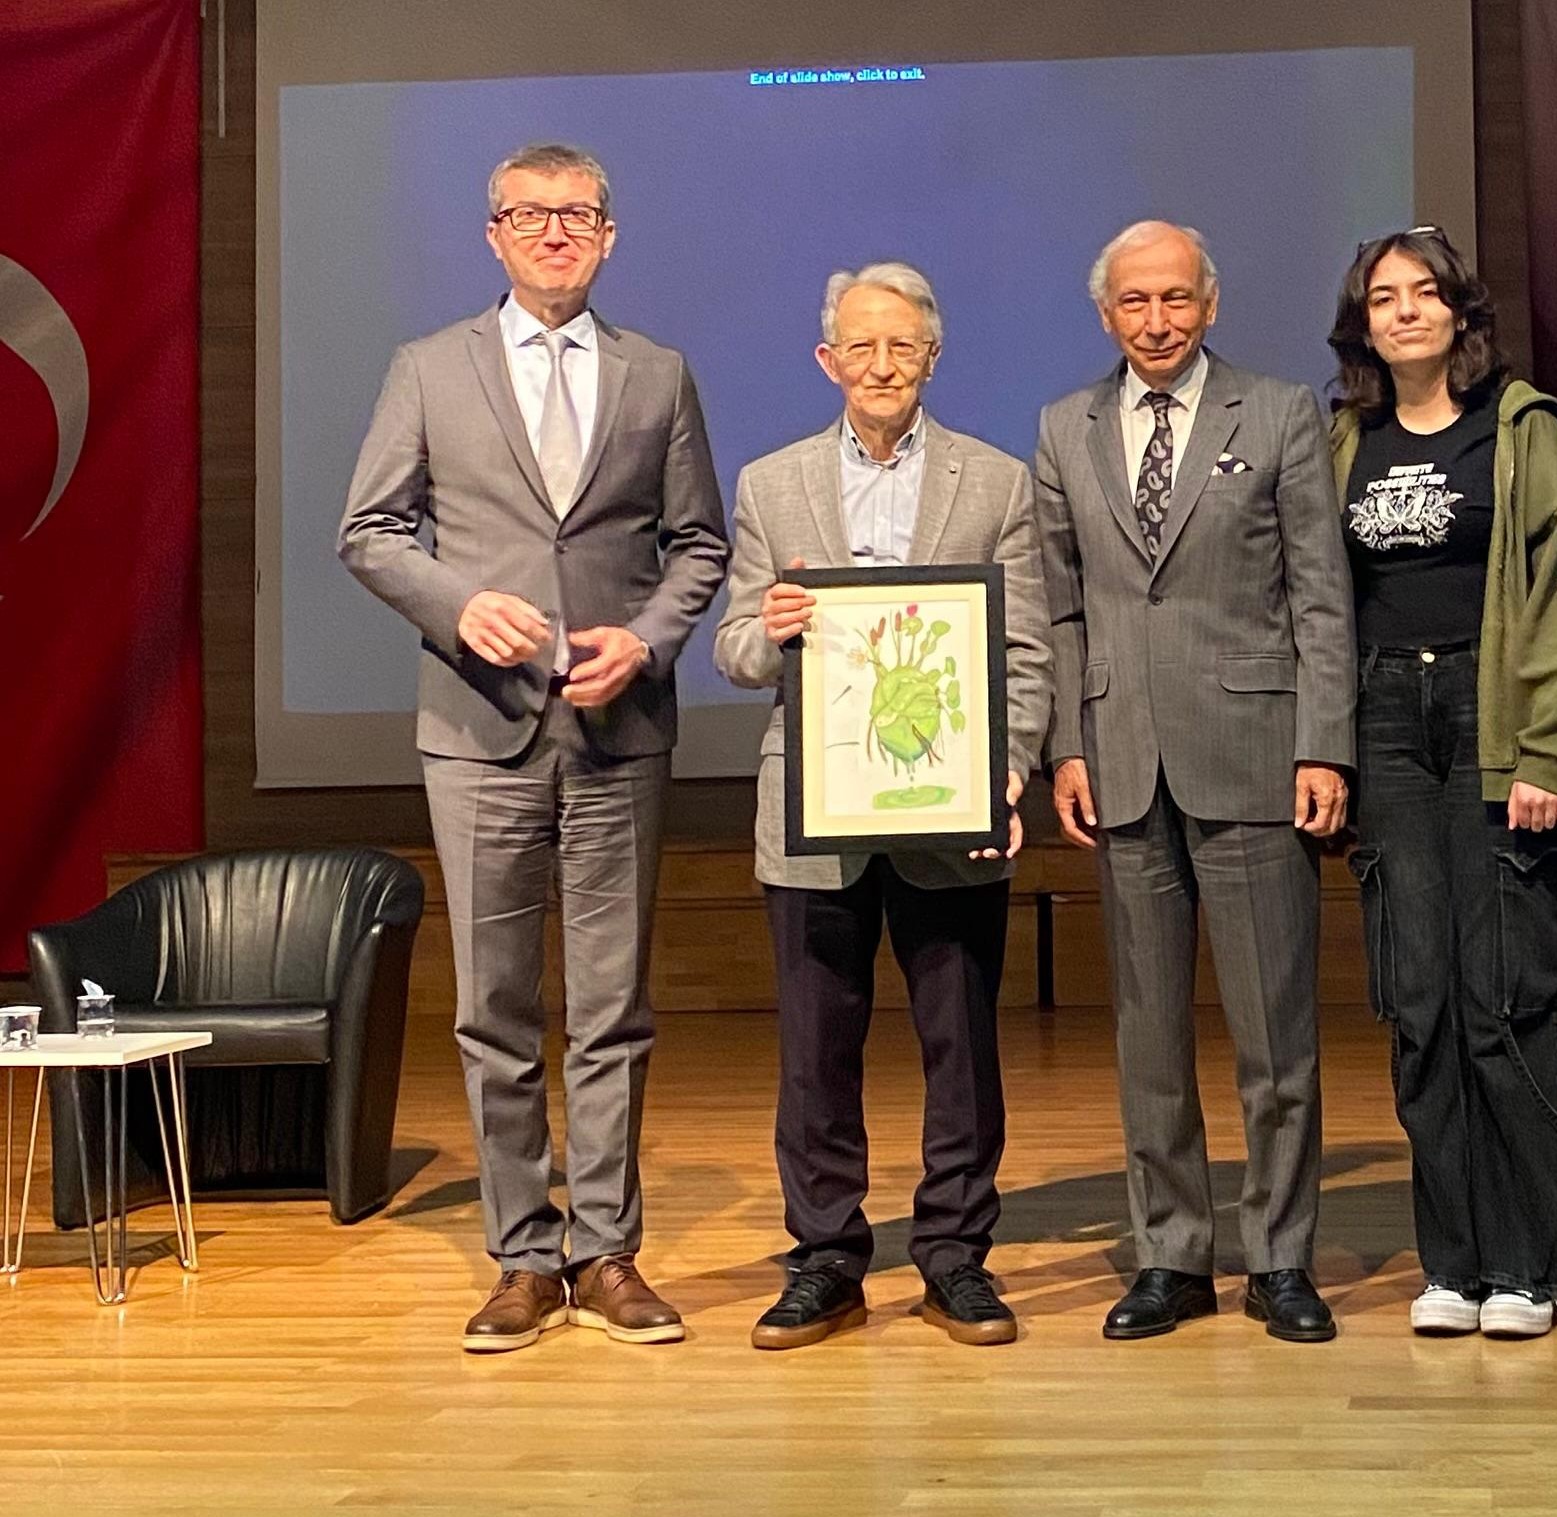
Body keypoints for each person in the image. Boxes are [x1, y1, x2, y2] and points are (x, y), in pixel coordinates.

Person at [339, 143, 728, 1353]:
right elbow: (369, 528)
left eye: (578, 216)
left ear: (609, 235)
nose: (555, 233)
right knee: (495, 1008)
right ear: (493, 233)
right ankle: (522, 1255)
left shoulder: (657, 373)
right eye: (530, 215)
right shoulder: (428, 367)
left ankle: (607, 1251)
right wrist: (458, 605)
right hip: (477, 731)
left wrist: (652, 642)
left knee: (611, 1007)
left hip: (618, 731)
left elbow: (699, 547)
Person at [713, 263, 1050, 1350]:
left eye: (901, 346)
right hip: (813, 814)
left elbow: (1027, 652)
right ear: (828, 362)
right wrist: (769, 625)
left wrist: (1010, 767)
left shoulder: (997, 482)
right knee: (815, 1052)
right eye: (860, 347)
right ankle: (825, 1260)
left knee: (962, 1043)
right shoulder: (771, 485)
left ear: (933, 357)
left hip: (952, 809)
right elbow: (730, 650)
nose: (881, 366)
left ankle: (954, 1255)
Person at [1034, 220, 1356, 1343]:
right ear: (1107, 314)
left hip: (1258, 755)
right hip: (1122, 762)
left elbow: (1321, 594)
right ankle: (1171, 1252)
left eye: (1176, 299)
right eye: (1135, 302)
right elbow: (1060, 604)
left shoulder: (1276, 415)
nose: (1157, 320)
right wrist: (1067, 744)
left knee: (1276, 1030)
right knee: (1148, 1032)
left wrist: (1326, 742)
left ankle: (1279, 1255)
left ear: (1209, 304)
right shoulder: (1063, 428)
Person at [1325, 227, 1557, 1338]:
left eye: (1423, 293)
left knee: (1502, 995)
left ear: (1460, 313)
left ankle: (1532, 1264)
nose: (1404, 312)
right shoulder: (1345, 440)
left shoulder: (1522, 427)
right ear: (1364, 324)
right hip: (1388, 718)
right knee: (1419, 998)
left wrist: (1546, 751)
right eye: (1382, 298)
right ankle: (1453, 1261)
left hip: (1490, 712)